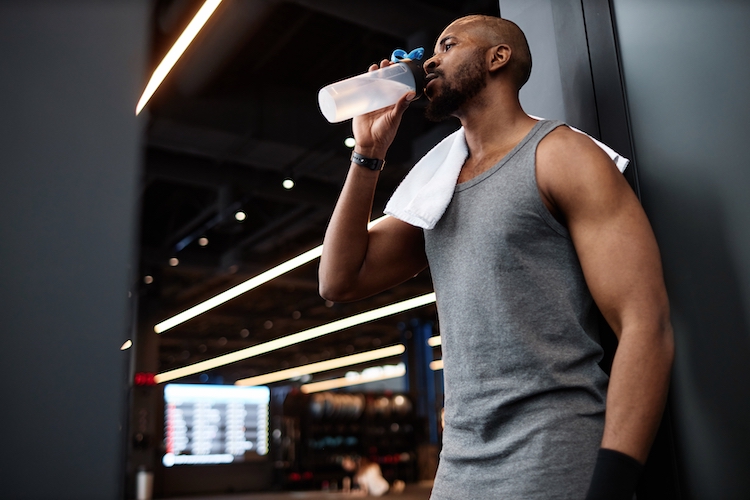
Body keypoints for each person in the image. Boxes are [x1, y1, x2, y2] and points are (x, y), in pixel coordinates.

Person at [318, 15, 673, 500]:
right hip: (460, 468)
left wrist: (611, 484)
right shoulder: (436, 186)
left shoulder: (561, 156)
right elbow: (338, 280)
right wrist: (368, 151)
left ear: (496, 57)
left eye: (447, 45)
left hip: (555, 458)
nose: (431, 59)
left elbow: (644, 324)